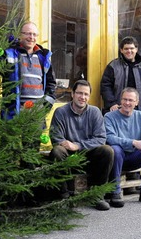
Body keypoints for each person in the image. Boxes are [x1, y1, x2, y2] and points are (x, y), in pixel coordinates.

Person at [49, 80, 114, 211]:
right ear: (72, 94)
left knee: (107, 151)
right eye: (79, 93)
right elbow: (56, 137)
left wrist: (78, 145)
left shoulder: (95, 112)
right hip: (68, 155)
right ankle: (64, 197)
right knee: (57, 151)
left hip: (88, 154)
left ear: (89, 96)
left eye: (86, 94)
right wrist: (68, 145)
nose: (82, 97)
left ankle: (97, 195)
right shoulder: (61, 112)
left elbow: (101, 138)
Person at [105, 87, 141, 207]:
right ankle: (115, 192)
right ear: (120, 101)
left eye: (131, 100)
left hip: (134, 157)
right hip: (116, 159)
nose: (127, 103)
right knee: (115, 149)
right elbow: (109, 138)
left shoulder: (140, 116)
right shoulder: (109, 117)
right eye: (125, 99)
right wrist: (134, 143)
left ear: (136, 102)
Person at [1, 22, 56, 120]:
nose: (31, 37)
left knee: (36, 136)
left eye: (34, 34)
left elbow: (51, 83)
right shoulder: (9, 54)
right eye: (28, 33)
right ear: (20, 35)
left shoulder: (43, 57)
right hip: (14, 114)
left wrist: (45, 106)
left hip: (36, 114)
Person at [100, 36, 141, 115]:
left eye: (131, 48)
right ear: (121, 50)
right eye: (126, 49)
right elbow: (105, 86)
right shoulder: (113, 66)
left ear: (136, 49)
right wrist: (112, 103)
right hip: (119, 109)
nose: (129, 51)